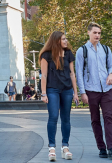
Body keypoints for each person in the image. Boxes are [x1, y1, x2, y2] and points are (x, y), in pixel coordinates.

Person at [76, 23, 112, 159]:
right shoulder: (82, 51)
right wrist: (82, 92)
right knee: (95, 119)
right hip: (91, 90)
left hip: (107, 89)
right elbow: (79, 73)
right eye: (95, 33)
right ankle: (101, 147)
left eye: (99, 33)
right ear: (88, 33)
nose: (97, 35)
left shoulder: (106, 49)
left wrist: (111, 74)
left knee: (109, 117)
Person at [40, 31, 79, 161]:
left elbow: (72, 74)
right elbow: (44, 76)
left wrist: (75, 92)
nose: (66, 41)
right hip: (52, 90)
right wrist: (43, 93)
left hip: (67, 90)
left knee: (66, 118)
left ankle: (65, 147)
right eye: (63, 39)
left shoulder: (68, 54)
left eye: (65, 39)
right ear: (57, 41)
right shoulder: (46, 55)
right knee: (54, 117)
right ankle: (51, 148)